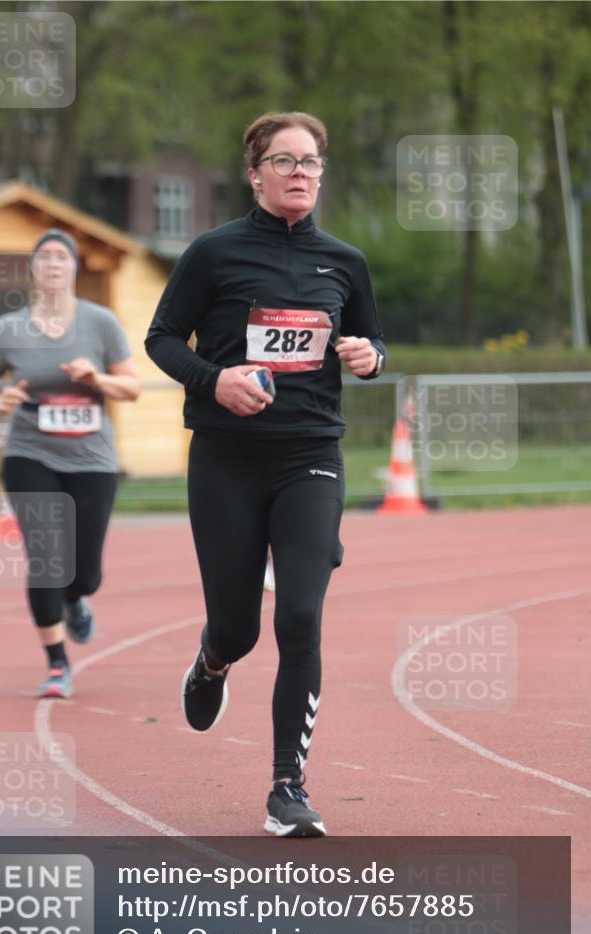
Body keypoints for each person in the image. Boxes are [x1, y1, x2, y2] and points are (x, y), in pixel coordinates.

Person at [146, 111, 386, 837]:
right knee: (239, 628)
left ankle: (287, 787)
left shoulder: (344, 262)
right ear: (255, 175)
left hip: (309, 456)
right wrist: (213, 380)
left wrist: (371, 357)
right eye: (285, 160)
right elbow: (161, 338)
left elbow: (371, 339)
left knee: (300, 617)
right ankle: (212, 659)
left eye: (310, 161)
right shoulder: (213, 253)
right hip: (225, 459)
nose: (300, 172)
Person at [0, 229, 141, 698]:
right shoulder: (9, 328)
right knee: (46, 560)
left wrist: (96, 377)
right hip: (30, 452)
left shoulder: (100, 322)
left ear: (74, 268)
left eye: (62, 257)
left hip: (91, 458)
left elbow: (131, 387)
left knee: (85, 574)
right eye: (44, 257)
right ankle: (57, 663)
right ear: (33, 269)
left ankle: (75, 598)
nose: (53, 264)